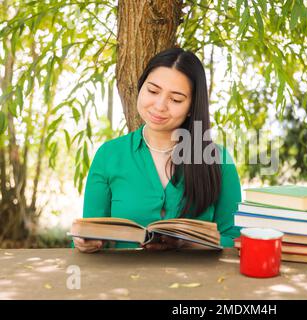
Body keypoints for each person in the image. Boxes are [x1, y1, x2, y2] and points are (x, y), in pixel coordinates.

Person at [73, 47, 242, 253]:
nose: (160, 105)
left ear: (191, 107)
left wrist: (190, 243)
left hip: (201, 282)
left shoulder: (218, 160)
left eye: (176, 99)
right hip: (121, 280)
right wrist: (85, 242)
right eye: (152, 91)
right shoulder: (109, 155)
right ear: (141, 87)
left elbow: (235, 240)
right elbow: (90, 234)